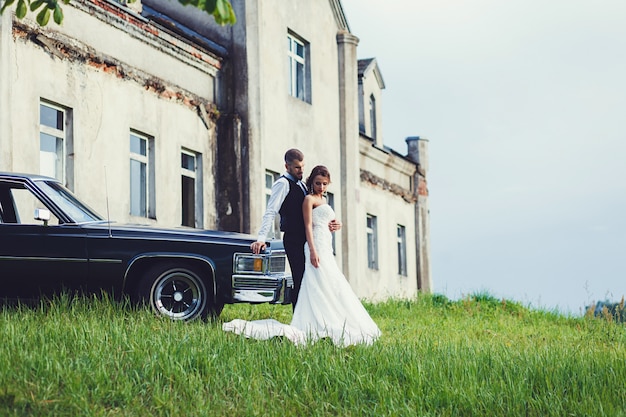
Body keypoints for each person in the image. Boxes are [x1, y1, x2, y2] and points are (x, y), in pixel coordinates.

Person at [224, 165, 381, 347]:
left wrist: (337, 223)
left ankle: (336, 316)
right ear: (289, 166)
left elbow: (325, 220)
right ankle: (311, 320)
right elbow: (304, 224)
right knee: (310, 281)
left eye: (324, 184)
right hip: (312, 245)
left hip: (326, 245)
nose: (321, 187)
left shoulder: (320, 196)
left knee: (332, 281)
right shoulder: (303, 195)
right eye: (317, 183)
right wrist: (311, 250)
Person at [250, 149, 340, 309]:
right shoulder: (282, 184)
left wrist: (329, 224)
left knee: (312, 278)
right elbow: (271, 211)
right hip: (293, 239)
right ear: (287, 166)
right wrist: (261, 238)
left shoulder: (303, 186)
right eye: (297, 167)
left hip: (308, 239)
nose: (301, 170)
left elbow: (315, 213)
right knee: (300, 279)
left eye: (303, 166)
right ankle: (299, 321)